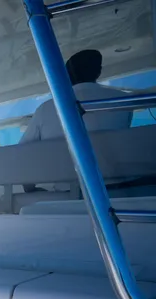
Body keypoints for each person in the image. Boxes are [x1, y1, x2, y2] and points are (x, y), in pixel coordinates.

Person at [19, 50, 132, 193]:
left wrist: (31, 191)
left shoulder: (46, 108)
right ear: (98, 72)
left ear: (67, 75)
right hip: (120, 188)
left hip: (67, 190)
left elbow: (21, 154)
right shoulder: (122, 101)